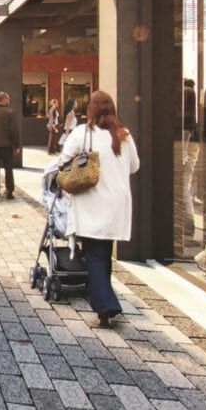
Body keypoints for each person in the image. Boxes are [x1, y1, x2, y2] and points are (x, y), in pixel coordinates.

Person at [57, 91, 139, 328]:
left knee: (93, 255)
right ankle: (106, 308)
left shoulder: (84, 133)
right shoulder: (124, 135)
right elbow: (135, 166)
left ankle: (106, 305)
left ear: (91, 110)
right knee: (104, 254)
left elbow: (64, 159)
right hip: (117, 204)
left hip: (93, 202)